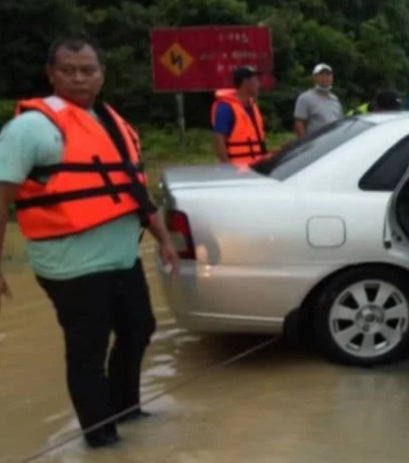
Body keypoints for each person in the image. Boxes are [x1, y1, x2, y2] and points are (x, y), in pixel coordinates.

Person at [0, 36, 179, 448]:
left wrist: (163, 238)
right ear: (51, 74)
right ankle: (101, 440)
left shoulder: (113, 123)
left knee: (139, 328)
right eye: (68, 70)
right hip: (70, 265)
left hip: (120, 258)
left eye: (88, 70)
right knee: (88, 353)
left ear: (102, 74)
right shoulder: (31, 128)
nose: (79, 78)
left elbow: (133, 189)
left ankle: (126, 410)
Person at [211, 66, 268, 165]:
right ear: (246, 83)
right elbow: (219, 139)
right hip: (237, 168)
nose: (259, 84)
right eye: (255, 80)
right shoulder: (226, 108)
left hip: (256, 166)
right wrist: (227, 166)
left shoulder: (252, 106)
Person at [294, 63, 343, 140]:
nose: (325, 78)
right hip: (315, 144)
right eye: (321, 75)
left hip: (334, 142)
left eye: (328, 75)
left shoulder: (335, 100)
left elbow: (340, 123)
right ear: (315, 77)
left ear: (332, 78)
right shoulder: (305, 98)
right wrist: (304, 143)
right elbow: (299, 123)